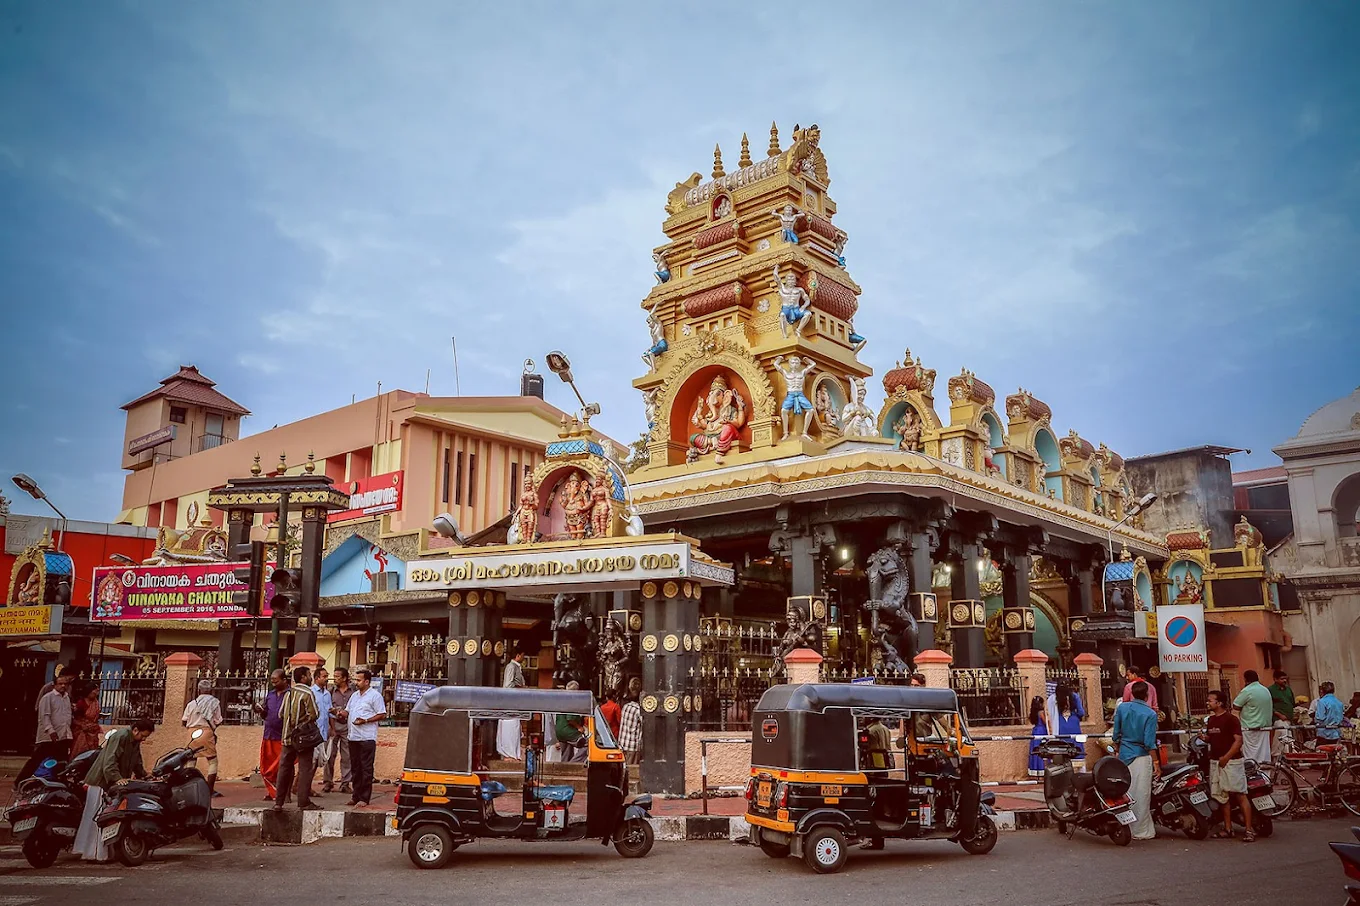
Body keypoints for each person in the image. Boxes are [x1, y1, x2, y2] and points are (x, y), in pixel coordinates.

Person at [75, 719, 153, 863]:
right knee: (99, 819)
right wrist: (117, 778)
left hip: (112, 784)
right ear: (135, 730)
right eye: (143, 736)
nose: (143, 739)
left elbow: (136, 761)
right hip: (101, 782)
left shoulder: (134, 742)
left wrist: (144, 774)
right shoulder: (120, 736)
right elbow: (109, 761)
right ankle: (95, 854)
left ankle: (105, 853)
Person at [1112, 680, 1159, 841]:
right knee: (1142, 795)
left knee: (1126, 793)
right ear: (1147, 695)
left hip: (1124, 755)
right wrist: (1157, 763)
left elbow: (1115, 734)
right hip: (1141, 757)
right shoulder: (1150, 714)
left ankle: (1125, 825)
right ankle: (1140, 830)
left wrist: (1118, 749)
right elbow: (1149, 742)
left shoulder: (1122, 708)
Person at [1205, 689, 1253, 841]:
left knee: (1240, 794)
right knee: (1221, 796)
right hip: (1216, 762)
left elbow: (1238, 741)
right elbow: (1211, 738)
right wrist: (1204, 738)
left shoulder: (1231, 719)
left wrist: (1226, 757)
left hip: (1232, 762)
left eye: (1210, 700)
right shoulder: (1211, 720)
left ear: (1219, 703)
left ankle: (1249, 830)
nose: (1208, 702)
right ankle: (1228, 828)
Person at [275, 666, 321, 811]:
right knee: (305, 769)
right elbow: (314, 714)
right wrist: (303, 721)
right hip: (302, 738)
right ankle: (303, 801)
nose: (311, 677)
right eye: (309, 675)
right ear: (303, 677)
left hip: (287, 737)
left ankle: (278, 802)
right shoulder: (308, 693)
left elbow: (281, 714)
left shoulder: (289, 693)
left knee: (284, 768)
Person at [343, 668, 387, 807]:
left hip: (367, 737)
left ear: (367, 681)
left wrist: (366, 720)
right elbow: (347, 711)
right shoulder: (355, 695)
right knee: (355, 768)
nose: (356, 682)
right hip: (353, 737)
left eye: (359, 680)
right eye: (356, 680)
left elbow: (382, 714)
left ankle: (364, 798)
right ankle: (355, 796)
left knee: (366, 768)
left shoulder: (375, 696)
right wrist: (339, 712)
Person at [20, 668, 74, 782]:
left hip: (63, 735)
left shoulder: (66, 698)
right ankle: (20, 781)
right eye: (60, 684)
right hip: (49, 736)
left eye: (65, 684)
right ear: (54, 685)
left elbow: (67, 715)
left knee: (61, 761)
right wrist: (51, 731)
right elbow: (45, 716)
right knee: (36, 760)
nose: (63, 686)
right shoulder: (48, 697)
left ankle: (58, 782)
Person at [181, 679, 224, 796]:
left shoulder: (191, 704)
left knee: (191, 759)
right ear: (210, 690)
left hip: (192, 733)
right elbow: (218, 720)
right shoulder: (214, 703)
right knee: (212, 761)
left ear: (199, 690)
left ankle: (189, 788)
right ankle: (210, 789)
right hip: (206, 732)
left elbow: (184, 721)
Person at [254, 669, 288, 800]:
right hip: (269, 735)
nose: (273, 683)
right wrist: (260, 711)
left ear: (284, 680)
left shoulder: (290, 694)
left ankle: (283, 794)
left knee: (281, 767)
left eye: (276, 681)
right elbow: (265, 713)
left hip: (283, 736)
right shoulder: (270, 695)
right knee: (266, 768)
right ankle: (272, 793)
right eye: (272, 681)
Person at [1232, 669, 1273, 765]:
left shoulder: (1247, 690)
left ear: (1246, 680)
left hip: (1250, 728)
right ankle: (1265, 777)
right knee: (1264, 754)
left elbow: (1236, 706)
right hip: (1265, 727)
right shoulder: (1265, 689)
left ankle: (1254, 777)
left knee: (1251, 756)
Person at [325, 667, 354, 793]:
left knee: (346, 756)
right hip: (333, 725)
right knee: (329, 755)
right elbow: (327, 708)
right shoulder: (331, 691)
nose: (335, 679)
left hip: (348, 726)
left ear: (344, 678)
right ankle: (328, 782)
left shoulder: (353, 692)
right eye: (334, 676)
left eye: (337, 677)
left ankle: (345, 783)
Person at [497, 650, 526, 760]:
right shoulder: (511, 667)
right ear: (518, 655)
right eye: (522, 655)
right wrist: (520, 687)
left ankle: (514, 753)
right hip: (511, 703)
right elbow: (508, 685)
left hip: (516, 703)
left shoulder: (517, 667)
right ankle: (509, 753)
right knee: (511, 728)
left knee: (516, 729)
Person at [310, 667, 332, 796]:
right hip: (313, 732)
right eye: (324, 676)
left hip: (323, 732)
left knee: (318, 761)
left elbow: (329, 712)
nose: (326, 678)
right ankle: (301, 787)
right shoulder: (311, 692)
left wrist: (332, 728)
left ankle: (305, 787)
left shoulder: (327, 694)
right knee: (311, 762)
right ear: (317, 678)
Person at [69, 681, 104, 759]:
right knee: (80, 753)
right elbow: (73, 718)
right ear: (89, 691)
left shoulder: (95, 702)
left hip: (93, 732)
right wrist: (82, 725)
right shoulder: (81, 703)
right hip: (82, 733)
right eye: (95, 691)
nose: (96, 693)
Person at [1268, 669, 1296, 757]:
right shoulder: (1270, 690)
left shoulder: (1288, 690)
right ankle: (1276, 755)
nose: (1284, 680)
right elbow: (1269, 706)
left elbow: (1292, 703)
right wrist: (1279, 714)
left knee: (1289, 737)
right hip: (1278, 719)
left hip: (1289, 719)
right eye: (1281, 679)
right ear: (1275, 679)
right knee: (1281, 735)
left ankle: (1290, 756)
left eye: (1285, 678)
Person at [619, 681, 643, 766]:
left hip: (622, 743)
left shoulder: (625, 707)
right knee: (631, 770)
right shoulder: (638, 710)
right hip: (632, 746)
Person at [1027, 696, 1048, 777]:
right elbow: (1045, 722)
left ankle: (1035, 771)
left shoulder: (1033, 713)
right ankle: (1042, 770)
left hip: (1035, 731)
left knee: (1035, 751)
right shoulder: (1041, 712)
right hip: (1042, 732)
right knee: (1042, 751)